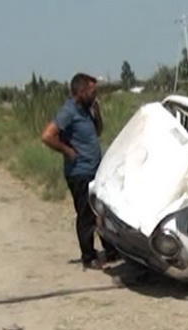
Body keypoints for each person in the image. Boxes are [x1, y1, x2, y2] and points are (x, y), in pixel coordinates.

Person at [41, 73, 118, 269]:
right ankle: (88, 256)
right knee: (86, 214)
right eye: (92, 91)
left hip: (95, 169)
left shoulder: (87, 110)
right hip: (79, 172)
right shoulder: (69, 111)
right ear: (81, 91)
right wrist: (67, 150)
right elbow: (47, 136)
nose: (95, 95)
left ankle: (111, 251)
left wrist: (97, 113)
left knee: (102, 211)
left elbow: (98, 132)